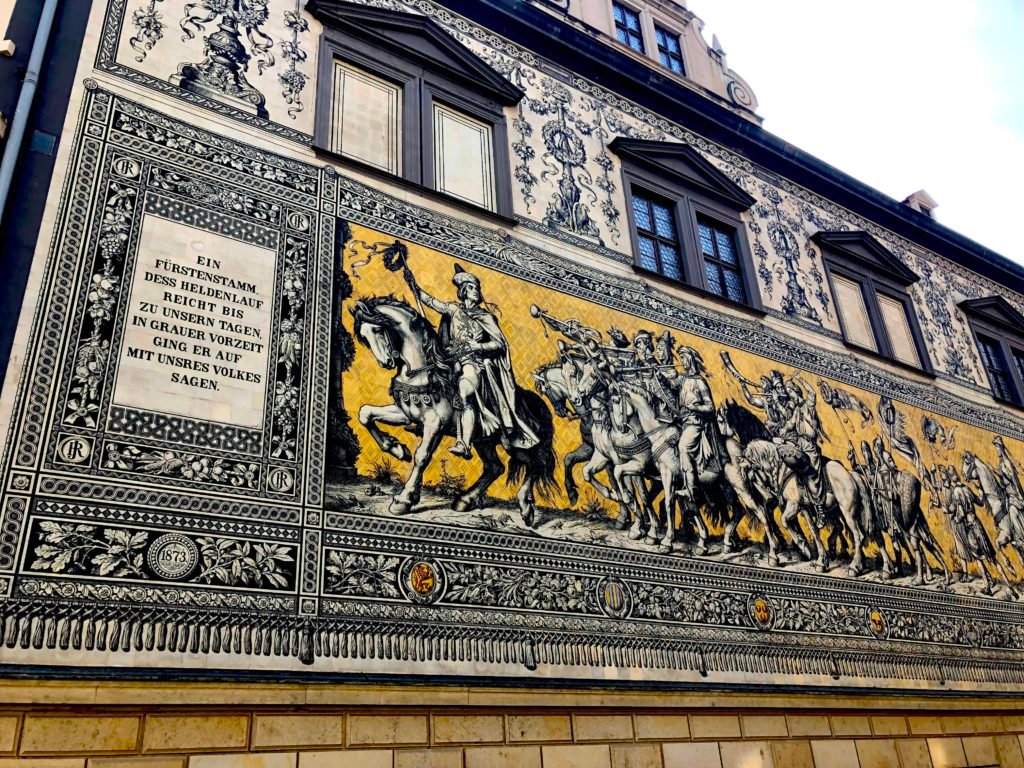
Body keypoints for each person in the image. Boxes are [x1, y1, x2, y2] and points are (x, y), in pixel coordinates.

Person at [405, 263, 537, 458]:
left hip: (473, 364)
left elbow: (499, 344)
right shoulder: (454, 309)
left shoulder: (486, 317)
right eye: (473, 289)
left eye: (477, 289)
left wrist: (478, 347)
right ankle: (420, 420)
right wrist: (414, 286)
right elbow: (431, 302)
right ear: (464, 291)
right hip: (450, 361)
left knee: (465, 391)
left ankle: (464, 443)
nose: (477, 292)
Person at [675, 346, 722, 502]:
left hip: (695, 423)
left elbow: (710, 406)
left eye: (684, 358)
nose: (681, 361)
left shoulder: (699, 382)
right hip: (682, 422)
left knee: (683, 446)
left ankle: (691, 489)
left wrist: (694, 407)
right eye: (680, 358)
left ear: (690, 360)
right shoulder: (683, 379)